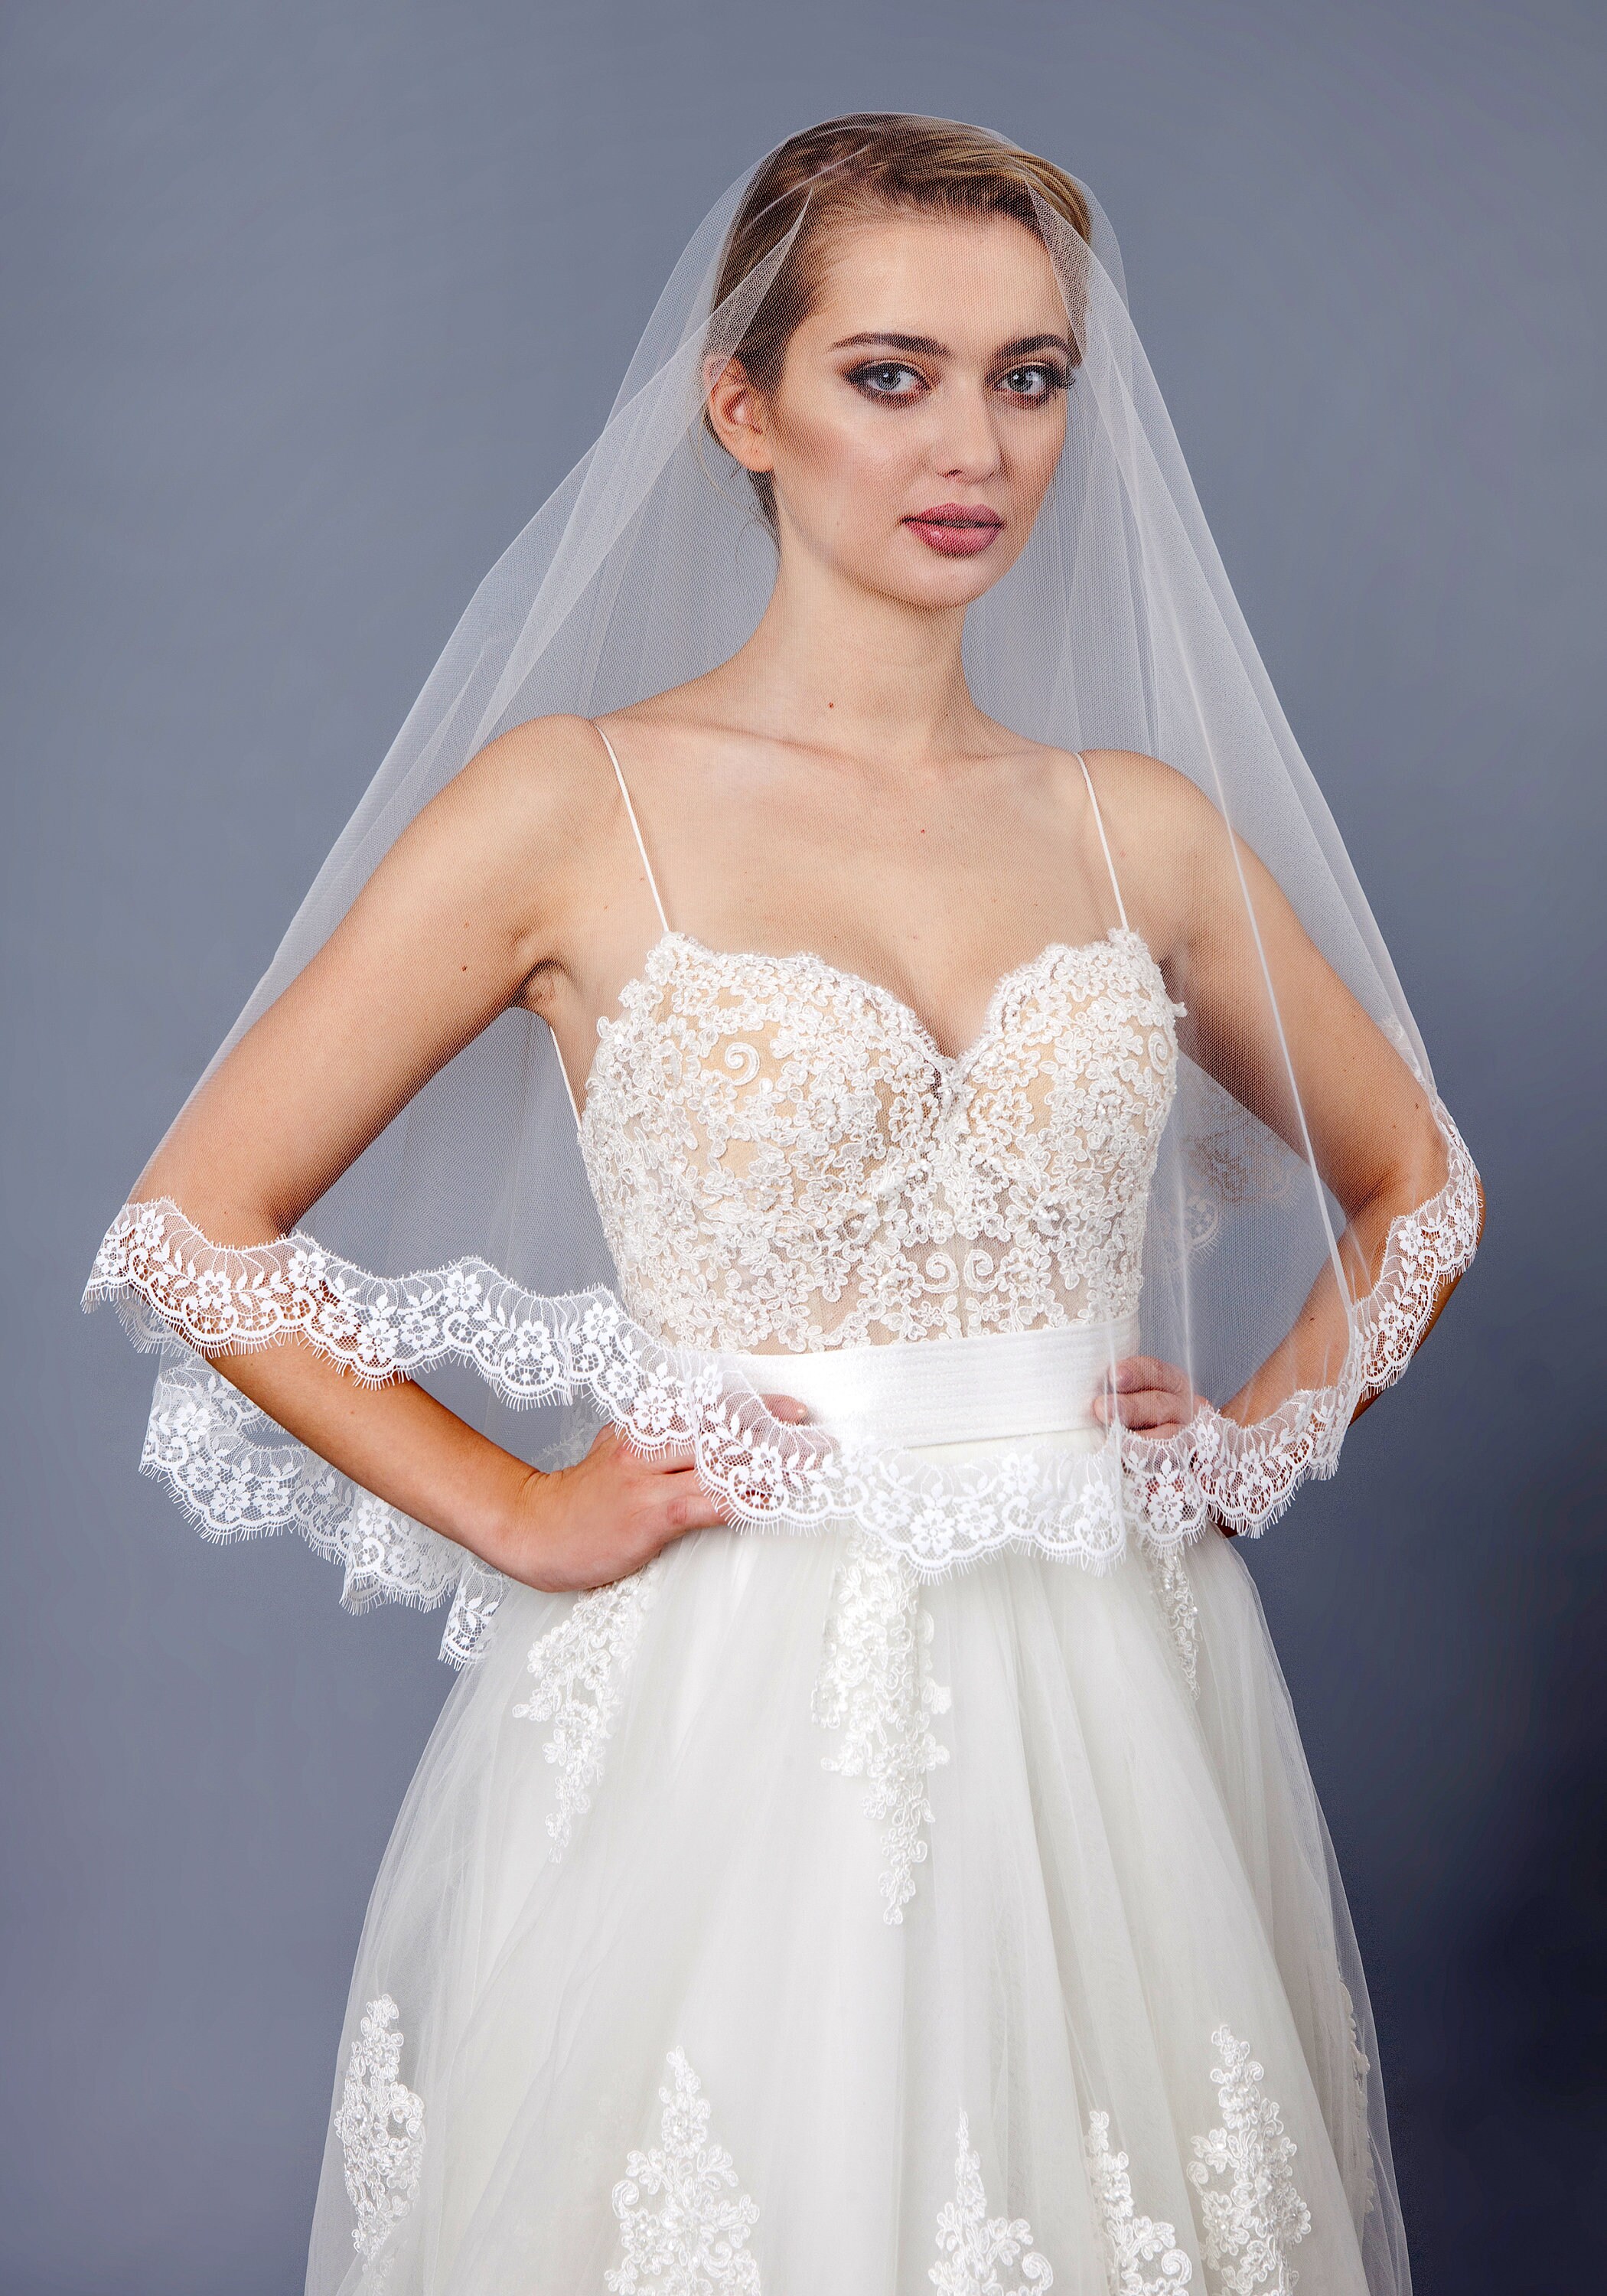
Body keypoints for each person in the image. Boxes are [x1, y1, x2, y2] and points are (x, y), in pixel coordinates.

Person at [86, 116, 1481, 2293]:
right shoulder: (574, 807)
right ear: (743, 407)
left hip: (1103, 1692)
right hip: (724, 1692)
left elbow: (1419, 1184)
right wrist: (516, 1508)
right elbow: (195, 1224)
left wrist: (1247, 1443)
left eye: (1028, 379)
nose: (975, 448)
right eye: (889, 375)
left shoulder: (1134, 829)